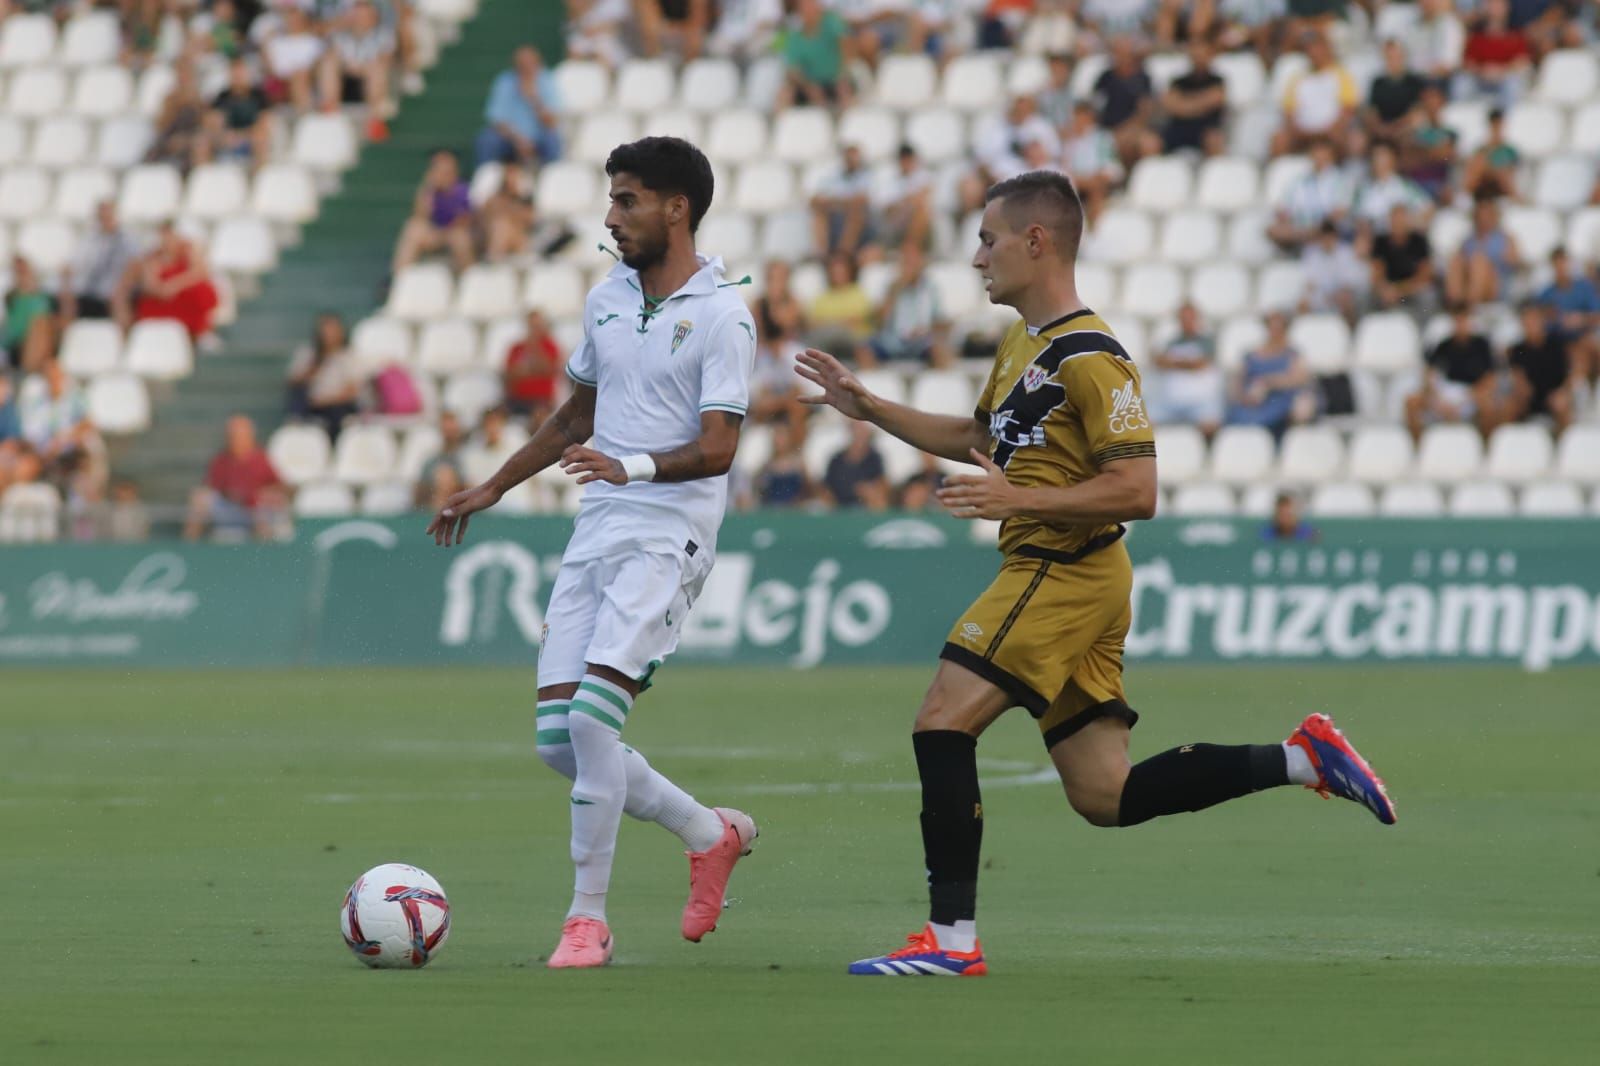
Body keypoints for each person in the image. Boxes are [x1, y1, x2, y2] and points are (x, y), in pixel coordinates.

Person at [796, 169, 1394, 978]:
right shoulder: (1023, 342)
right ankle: (1300, 758)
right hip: (1079, 572)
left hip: (1062, 569)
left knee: (942, 720)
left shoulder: (1093, 357)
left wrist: (1017, 494)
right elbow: (975, 432)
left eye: (987, 239)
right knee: (1104, 795)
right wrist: (872, 409)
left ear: (1035, 242)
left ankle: (951, 941)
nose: (977, 257)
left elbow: (1139, 488)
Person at [426, 137, 760, 969]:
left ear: (676, 208)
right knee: (557, 740)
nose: (612, 217)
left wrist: (634, 465)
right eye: (612, 200)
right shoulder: (607, 296)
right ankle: (706, 832)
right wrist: (492, 486)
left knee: (590, 717)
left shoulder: (724, 312)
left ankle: (588, 920)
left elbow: (720, 448)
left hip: (667, 531)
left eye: (628, 201)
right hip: (597, 528)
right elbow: (576, 416)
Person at [184, 414, 287, 541]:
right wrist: (229, 494)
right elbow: (210, 487)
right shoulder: (221, 460)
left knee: (263, 510)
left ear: (249, 436)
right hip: (229, 508)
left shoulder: (261, 459)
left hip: (254, 509)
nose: (234, 439)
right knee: (199, 497)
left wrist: (257, 496)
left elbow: (278, 487)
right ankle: (189, 546)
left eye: (239, 435)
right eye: (231, 435)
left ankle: (264, 552)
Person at [1404, 303, 1496, 439]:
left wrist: (1467, 399)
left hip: (1470, 394)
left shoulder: (1481, 345)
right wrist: (1437, 399)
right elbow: (1429, 375)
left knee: (1488, 405)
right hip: (1445, 394)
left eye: (1464, 320)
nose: (1461, 325)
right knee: (1411, 402)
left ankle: (1485, 445)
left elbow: (1489, 379)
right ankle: (1418, 446)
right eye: (1457, 320)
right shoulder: (1444, 345)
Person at [1228, 310, 1314, 439]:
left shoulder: (1293, 354)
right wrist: (1245, 396)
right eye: (1273, 326)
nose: (1276, 331)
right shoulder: (1252, 354)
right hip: (1254, 404)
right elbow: (1238, 381)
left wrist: (1269, 383)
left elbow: (1300, 378)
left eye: (1279, 327)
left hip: (1282, 401)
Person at [474, 45, 562, 169]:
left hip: (539, 137)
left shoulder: (548, 81)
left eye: (530, 64)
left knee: (552, 140)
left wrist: (534, 100)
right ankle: (486, 179)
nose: (526, 68)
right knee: (487, 140)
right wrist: (518, 140)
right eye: (522, 64)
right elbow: (497, 121)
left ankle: (552, 179)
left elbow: (551, 122)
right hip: (510, 138)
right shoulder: (504, 82)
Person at [1272, 30, 1358, 156]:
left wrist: (1329, 130)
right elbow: (1289, 112)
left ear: (1326, 49)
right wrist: (1300, 131)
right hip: (1303, 133)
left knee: (1347, 138)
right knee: (1279, 139)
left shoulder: (1341, 75)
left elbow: (1348, 110)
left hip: (1330, 131)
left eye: (1317, 47)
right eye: (1310, 49)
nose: (1313, 52)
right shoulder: (1297, 78)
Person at [320, 0, 396, 142]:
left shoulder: (384, 35)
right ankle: (330, 110)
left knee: (377, 70)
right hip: (346, 81)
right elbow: (333, 54)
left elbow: (385, 61)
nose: (360, 17)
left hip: (371, 81)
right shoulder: (341, 36)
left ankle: (375, 120)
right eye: (357, 13)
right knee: (329, 63)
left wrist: (360, 68)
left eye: (364, 13)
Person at [133, 223, 221, 342]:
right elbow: (149, 285)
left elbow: (200, 272)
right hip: (162, 303)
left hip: (184, 298)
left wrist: (174, 285)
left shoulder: (188, 252)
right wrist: (163, 289)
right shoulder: (153, 258)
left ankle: (199, 334)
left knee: (201, 291)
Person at [392, 149, 475, 274]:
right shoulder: (431, 191)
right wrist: (428, 188)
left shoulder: (463, 190)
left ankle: (469, 280)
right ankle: (398, 278)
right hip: (439, 233)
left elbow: (465, 220)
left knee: (459, 237)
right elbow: (420, 215)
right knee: (413, 228)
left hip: (459, 233)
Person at [866, 244, 950, 367]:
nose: (910, 267)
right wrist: (896, 290)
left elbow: (940, 322)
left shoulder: (930, 288)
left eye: (914, 263)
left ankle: (938, 385)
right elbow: (878, 322)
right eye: (906, 263)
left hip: (920, 341)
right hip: (892, 341)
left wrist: (925, 330)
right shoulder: (892, 287)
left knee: (938, 350)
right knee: (864, 350)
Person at [59, 202, 140, 326]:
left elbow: (135, 266)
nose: (105, 219)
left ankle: (123, 342)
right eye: (102, 215)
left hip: (112, 292)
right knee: (65, 297)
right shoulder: (88, 239)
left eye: (108, 214)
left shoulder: (128, 240)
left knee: (120, 300)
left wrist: (122, 287)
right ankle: (68, 340)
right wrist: (66, 286)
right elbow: (70, 266)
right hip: (86, 291)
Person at [286, 313, 364, 439]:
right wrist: (316, 365)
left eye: (332, 330)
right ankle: (296, 431)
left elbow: (352, 391)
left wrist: (326, 401)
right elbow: (294, 381)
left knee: (338, 414)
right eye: (325, 330)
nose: (328, 335)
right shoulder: (308, 353)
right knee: (297, 396)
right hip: (312, 404)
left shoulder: (348, 356)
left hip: (337, 405)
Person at [1149, 303, 1224, 435]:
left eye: (1190, 318)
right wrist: (1186, 364)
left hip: (1200, 400)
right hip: (1171, 400)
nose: (1186, 322)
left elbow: (1200, 363)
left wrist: (1173, 363)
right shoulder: (1172, 342)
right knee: (1146, 421)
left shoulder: (1207, 341)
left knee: (1210, 423)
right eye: (1183, 319)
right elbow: (1159, 361)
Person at [1535, 248, 1600, 389]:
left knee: (1590, 349)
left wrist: (1581, 320)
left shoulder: (1584, 288)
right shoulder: (1546, 294)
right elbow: (1541, 323)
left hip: (1583, 338)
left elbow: (1596, 316)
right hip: (1559, 344)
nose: (1561, 269)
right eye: (1557, 264)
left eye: (1563, 263)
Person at [1506, 301, 1573, 432]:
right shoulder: (1517, 350)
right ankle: (1509, 443)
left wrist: (1562, 392)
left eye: (1534, 320)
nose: (1530, 325)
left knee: (1561, 404)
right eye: (1527, 321)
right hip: (1530, 398)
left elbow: (1569, 375)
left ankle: (1563, 443)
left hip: (1553, 395)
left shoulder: (1556, 346)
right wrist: (1521, 389)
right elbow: (1518, 377)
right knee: (1509, 406)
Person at [1159, 36, 1228, 156]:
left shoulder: (1217, 80)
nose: (1199, 59)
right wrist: (1201, 102)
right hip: (1178, 130)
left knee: (1214, 139)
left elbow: (1216, 99)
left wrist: (1184, 103)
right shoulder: (1178, 81)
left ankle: (1215, 173)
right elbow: (1170, 104)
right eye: (1195, 55)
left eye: (1202, 54)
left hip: (1205, 130)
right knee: (1152, 142)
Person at [1446, 195, 1521, 306]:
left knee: (1479, 262)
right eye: (1480, 215)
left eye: (1487, 215)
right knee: (1456, 260)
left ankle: (1469, 305)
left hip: (1496, 283)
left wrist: (1492, 262)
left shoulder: (1505, 239)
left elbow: (1515, 263)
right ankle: (1455, 302)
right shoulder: (1469, 240)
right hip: (1469, 280)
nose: (1483, 219)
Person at [778, 0, 852, 109]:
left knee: (844, 89)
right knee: (785, 94)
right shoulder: (794, 36)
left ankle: (851, 122)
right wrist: (808, 86)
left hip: (836, 79)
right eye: (804, 7)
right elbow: (792, 71)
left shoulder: (831, 22)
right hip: (811, 84)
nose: (809, 10)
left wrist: (842, 74)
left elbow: (847, 46)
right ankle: (784, 124)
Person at [205, 56, 274, 168]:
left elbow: (264, 122)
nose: (238, 77)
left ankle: (258, 175)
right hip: (227, 139)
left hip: (250, 138)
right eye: (234, 73)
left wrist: (243, 136)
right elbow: (212, 121)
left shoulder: (259, 96)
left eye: (240, 73)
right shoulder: (222, 97)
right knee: (203, 141)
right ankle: (206, 175)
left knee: (261, 137)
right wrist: (225, 135)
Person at [1370, 204, 1436, 319]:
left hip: (1411, 290)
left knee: (1428, 296)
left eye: (1401, 220)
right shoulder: (1381, 242)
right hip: (1388, 291)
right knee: (1365, 294)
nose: (1398, 224)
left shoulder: (1419, 241)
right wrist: (1385, 289)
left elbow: (1425, 275)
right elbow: (1377, 273)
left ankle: (1423, 331)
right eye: (1395, 220)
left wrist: (1400, 290)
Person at [810, 143, 876, 258]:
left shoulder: (868, 176)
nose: (850, 159)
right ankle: (822, 256)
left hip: (863, 225)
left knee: (856, 212)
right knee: (819, 215)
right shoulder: (832, 176)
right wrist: (843, 203)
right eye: (848, 156)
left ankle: (843, 255)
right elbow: (815, 200)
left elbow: (861, 201)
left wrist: (836, 202)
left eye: (853, 156)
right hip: (836, 220)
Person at [503, 309, 563, 421]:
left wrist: (534, 349)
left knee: (540, 416)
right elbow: (509, 375)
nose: (534, 329)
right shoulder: (516, 348)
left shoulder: (551, 347)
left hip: (542, 401)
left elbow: (550, 370)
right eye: (531, 326)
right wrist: (534, 369)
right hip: (518, 400)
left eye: (537, 326)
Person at [1300, 220, 1368, 319]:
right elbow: (1309, 284)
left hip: (1340, 298)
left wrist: (1337, 295)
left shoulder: (1346, 253)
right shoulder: (1312, 256)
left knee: (1346, 299)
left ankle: (1348, 332)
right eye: (1324, 237)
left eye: (1329, 237)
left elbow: (1350, 282)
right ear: (1320, 238)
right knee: (1302, 304)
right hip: (1320, 298)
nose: (1327, 241)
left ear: (1335, 237)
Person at [4, 256, 60, 374]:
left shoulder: (46, 298)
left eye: (24, 271)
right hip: (15, 345)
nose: (22, 275)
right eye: (18, 272)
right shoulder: (11, 297)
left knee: (41, 324)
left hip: (34, 346)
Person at [821, 420, 890, 509]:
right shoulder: (836, 459)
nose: (858, 434)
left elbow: (882, 486)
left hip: (866, 506)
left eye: (861, 431)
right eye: (856, 430)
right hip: (839, 506)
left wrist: (868, 492)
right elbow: (826, 489)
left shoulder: (875, 458)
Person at [754, 420, 813, 506]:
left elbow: (809, 490)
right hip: (771, 510)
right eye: (776, 436)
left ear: (790, 438)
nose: (778, 440)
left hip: (794, 510)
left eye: (782, 436)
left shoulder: (799, 464)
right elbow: (759, 490)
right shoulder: (767, 466)